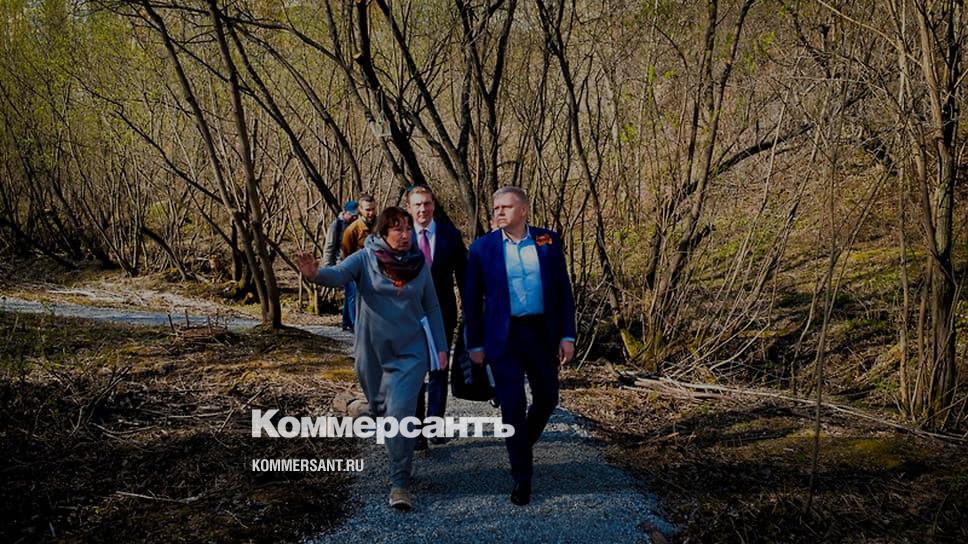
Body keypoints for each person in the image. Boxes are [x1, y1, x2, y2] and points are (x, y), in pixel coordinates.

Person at [298, 207, 448, 511]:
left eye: (408, 229)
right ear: (382, 232)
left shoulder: (419, 263)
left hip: (411, 352)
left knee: (400, 414)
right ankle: (385, 433)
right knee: (383, 412)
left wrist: (442, 347)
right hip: (372, 354)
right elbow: (338, 275)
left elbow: (432, 306)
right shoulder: (365, 258)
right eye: (397, 229)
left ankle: (399, 483)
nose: (405, 235)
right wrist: (315, 274)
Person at [463, 186, 576, 506]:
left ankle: (521, 444)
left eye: (506, 207)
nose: (499, 212)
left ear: (524, 211)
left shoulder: (548, 241)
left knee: (548, 398)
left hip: (541, 334)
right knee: (512, 405)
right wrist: (475, 343)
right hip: (503, 337)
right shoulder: (483, 248)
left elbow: (563, 290)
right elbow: (471, 300)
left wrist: (567, 336)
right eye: (496, 207)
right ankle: (521, 478)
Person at [405, 186, 467, 450]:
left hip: (442, 313)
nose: (423, 209)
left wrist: (471, 311)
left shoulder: (450, 235)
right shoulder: (400, 236)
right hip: (408, 315)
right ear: (409, 208)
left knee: (439, 369)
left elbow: (464, 274)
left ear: (433, 205)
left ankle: (434, 426)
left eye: (427, 204)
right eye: (417, 204)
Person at [323, 200, 359, 331]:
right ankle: (354, 324)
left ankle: (346, 322)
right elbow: (329, 247)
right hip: (342, 265)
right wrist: (328, 268)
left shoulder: (355, 225)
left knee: (350, 293)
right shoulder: (336, 226)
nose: (354, 217)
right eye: (352, 215)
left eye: (356, 215)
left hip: (354, 263)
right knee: (353, 293)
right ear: (345, 212)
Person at [341, 194, 378, 258]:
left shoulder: (382, 224)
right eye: (368, 210)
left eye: (373, 209)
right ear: (360, 209)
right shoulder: (352, 230)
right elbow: (347, 256)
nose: (371, 213)